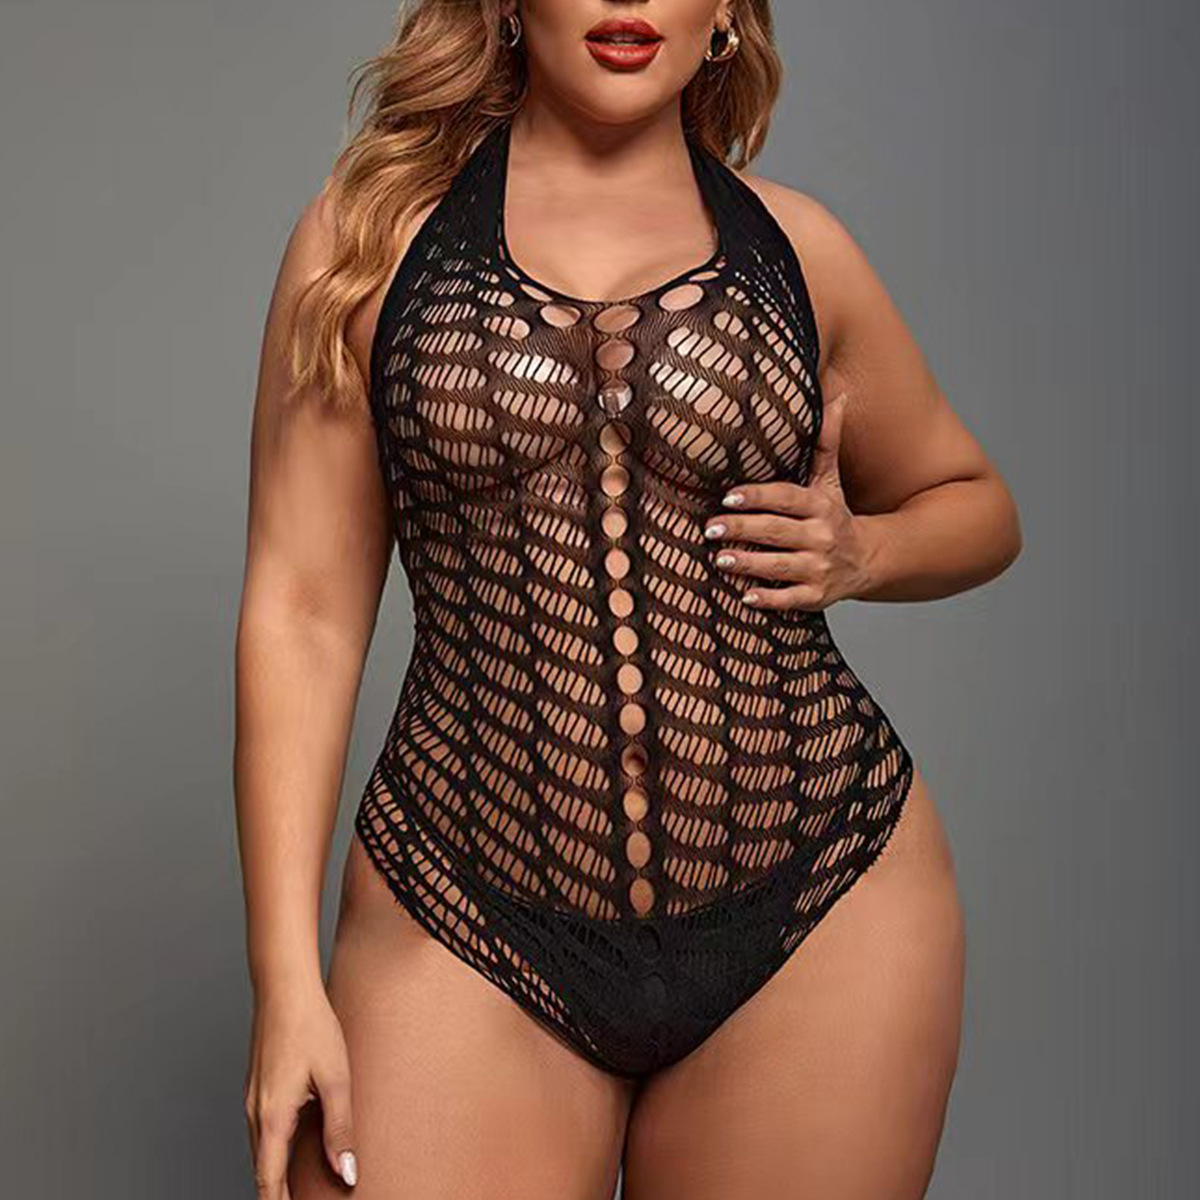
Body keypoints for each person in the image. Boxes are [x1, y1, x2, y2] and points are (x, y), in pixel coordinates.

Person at [234, 2, 1021, 1197]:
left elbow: (976, 504)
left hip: (816, 900)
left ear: (725, 16)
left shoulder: (800, 252)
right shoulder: (370, 243)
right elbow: (302, 610)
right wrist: (285, 979)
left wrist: (862, 553)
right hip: (466, 903)